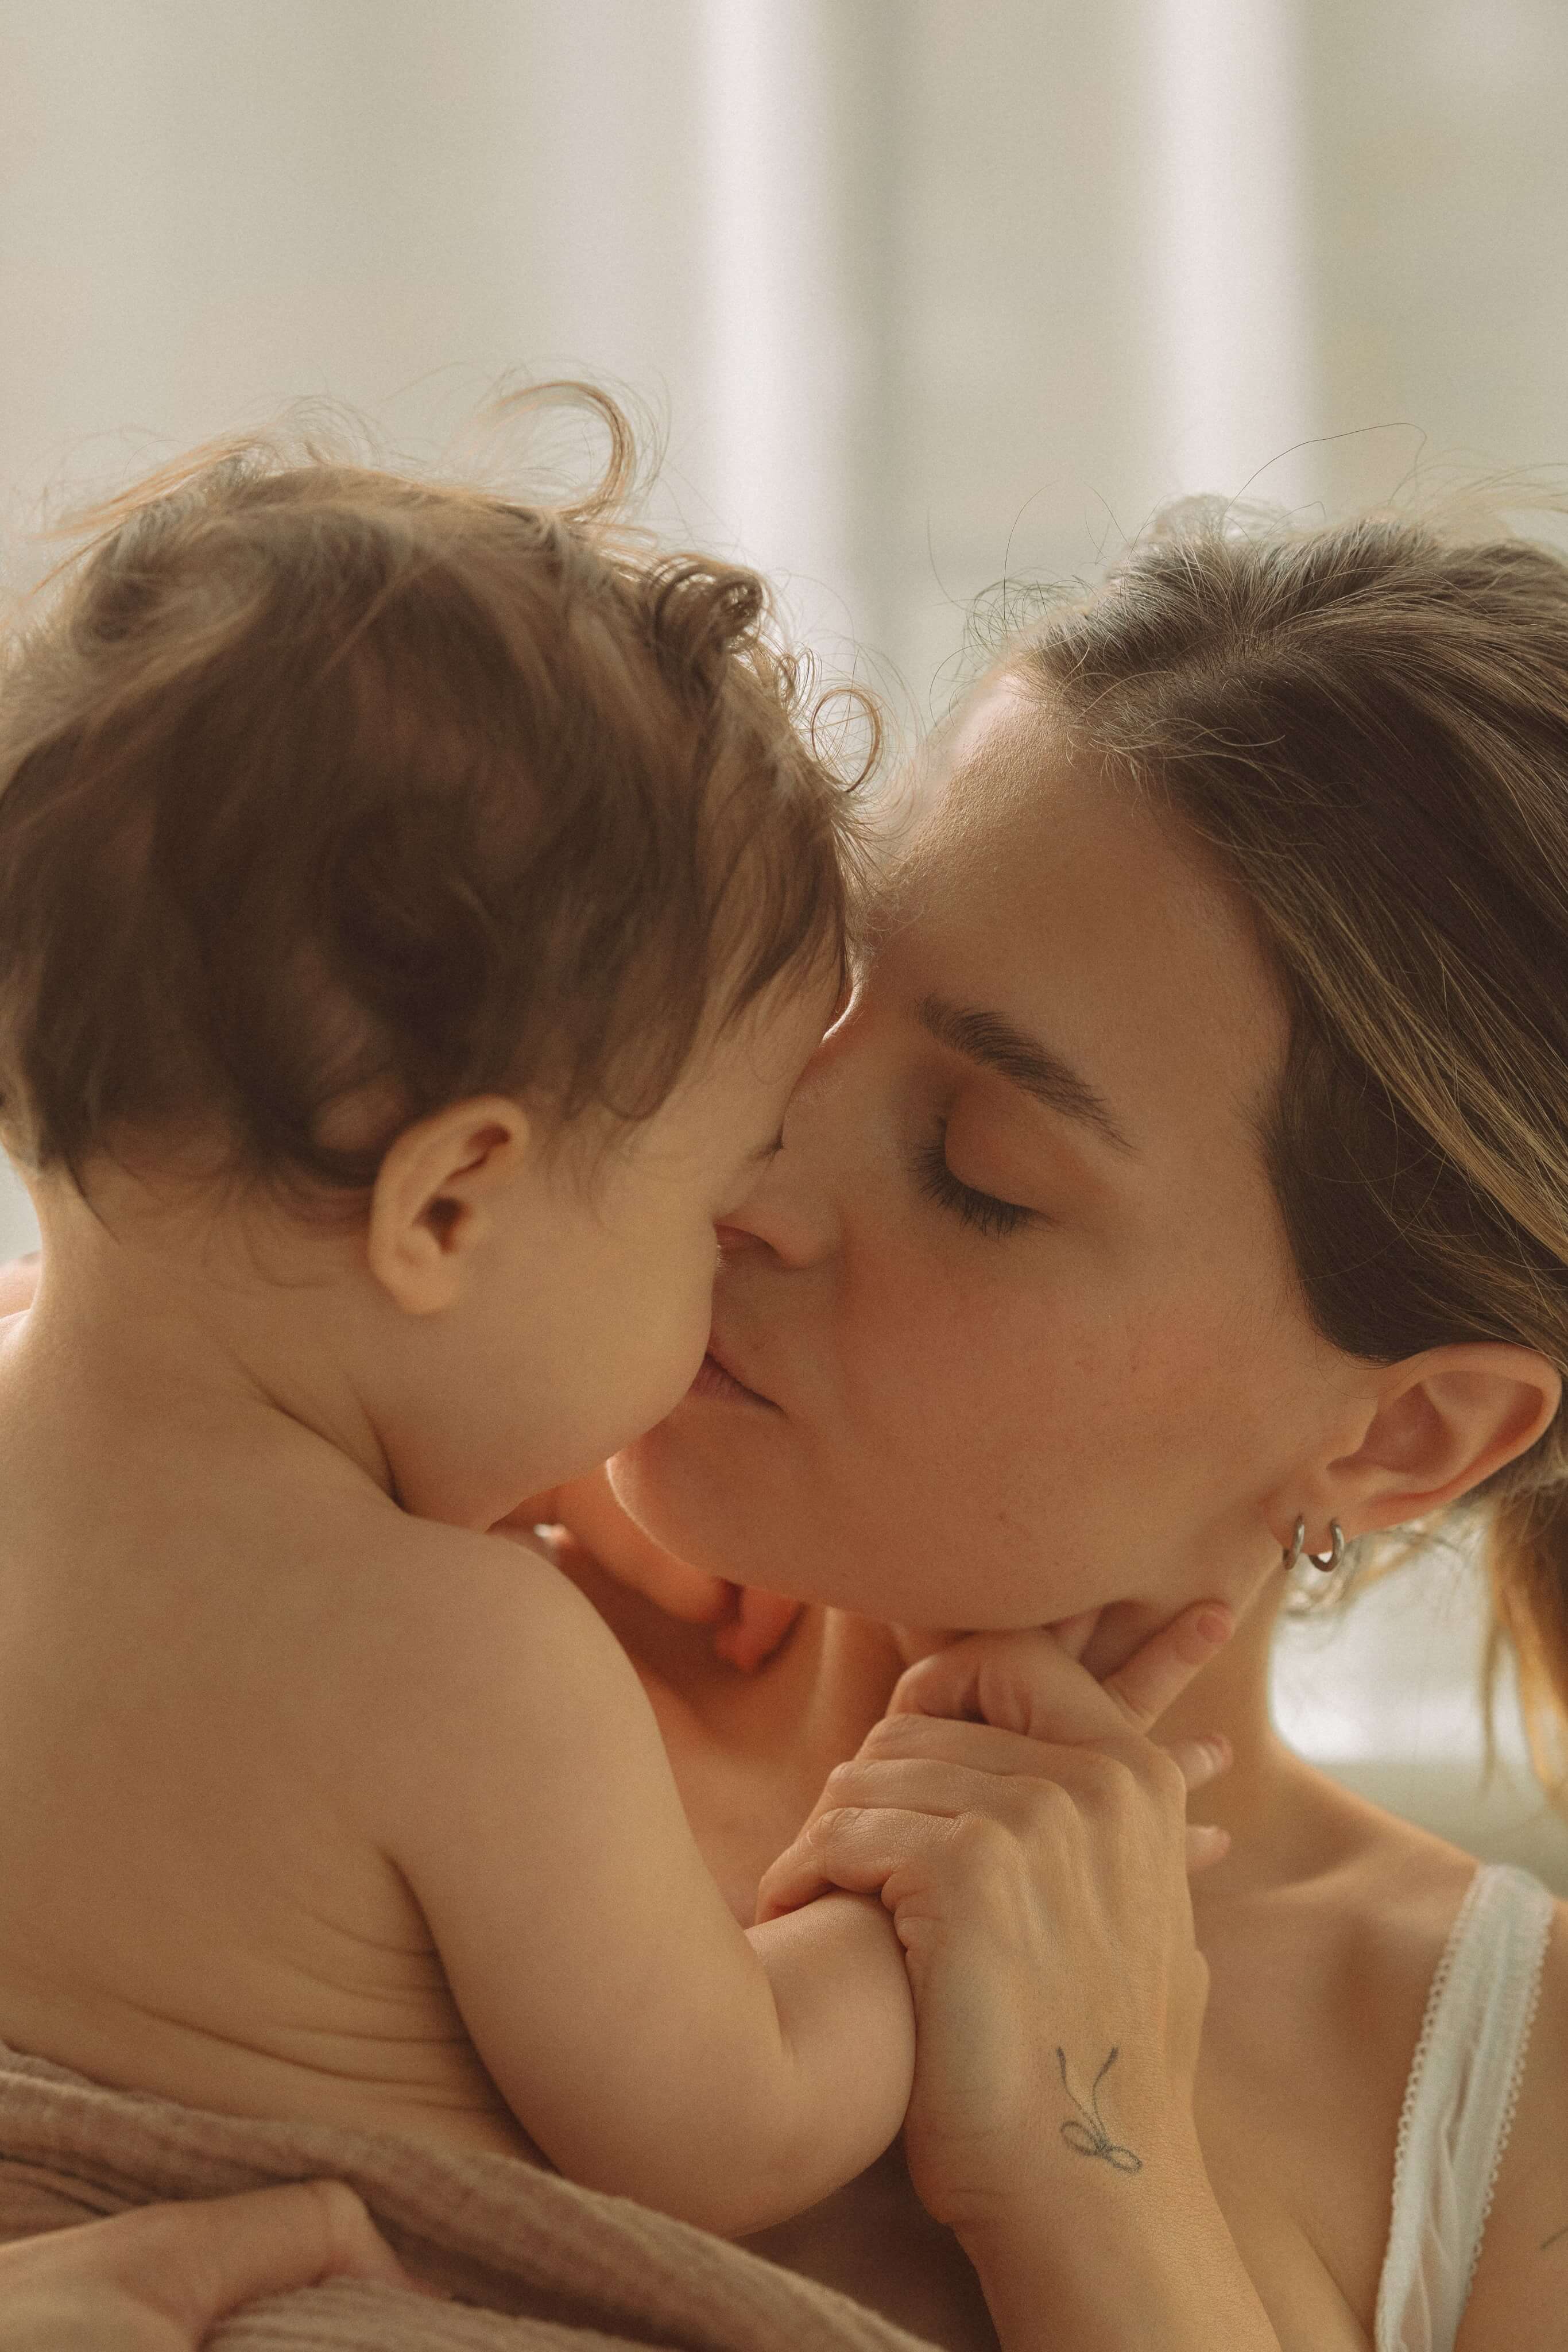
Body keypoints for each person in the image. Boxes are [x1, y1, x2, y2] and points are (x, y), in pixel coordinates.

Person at [0, 395, 1244, 2261]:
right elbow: (730, 2133)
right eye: (704, 1195)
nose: (738, 1254)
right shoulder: (458, 1661)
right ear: (448, 1206)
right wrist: (912, 1907)